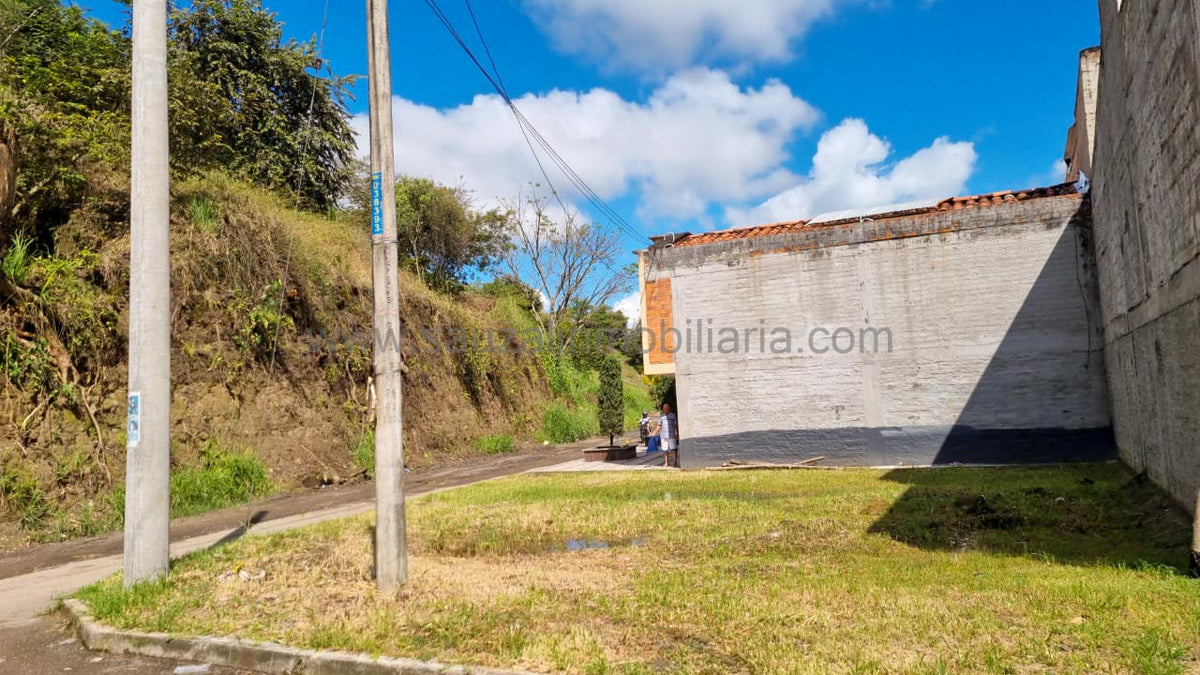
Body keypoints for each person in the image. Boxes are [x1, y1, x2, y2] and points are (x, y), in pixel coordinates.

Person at [658, 403, 679, 468]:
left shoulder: (673, 415)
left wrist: (677, 433)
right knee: (665, 449)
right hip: (663, 435)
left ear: (669, 408)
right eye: (664, 408)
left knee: (673, 449)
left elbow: (675, 425)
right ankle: (666, 462)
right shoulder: (661, 416)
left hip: (671, 434)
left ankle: (675, 461)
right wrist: (654, 433)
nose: (665, 409)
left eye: (666, 408)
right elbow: (659, 425)